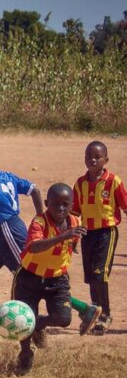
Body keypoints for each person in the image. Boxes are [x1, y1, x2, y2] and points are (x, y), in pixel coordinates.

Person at [0, 142, 98, 336]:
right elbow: (34, 189)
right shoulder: (7, 175)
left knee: (29, 277)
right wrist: (42, 215)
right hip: (3, 232)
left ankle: (84, 309)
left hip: (8, 231)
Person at [12, 184, 88, 375]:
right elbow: (34, 247)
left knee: (63, 319)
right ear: (46, 204)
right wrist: (64, 236)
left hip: (57, 279)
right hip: (29, 277)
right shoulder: (40, 221)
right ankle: (25, 354)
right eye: (55, 204)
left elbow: (73, 242)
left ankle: (39, 324)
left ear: (71, 205)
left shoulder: (75, 221)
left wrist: (72, 242)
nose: (61, 209)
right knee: (24, 319)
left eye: (65, 204)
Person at [72, 141, 127, 335]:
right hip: (88, 234)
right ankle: (94, 312)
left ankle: (106, 315)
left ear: (106, 160)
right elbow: (74, 213)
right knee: (91, 277)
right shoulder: (80, 184)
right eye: (88, 156)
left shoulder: (114, 181)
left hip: (106, 232)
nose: (92, 159)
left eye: (97, 156)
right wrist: (73, 239)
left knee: (100, 273)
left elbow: (126, 206)